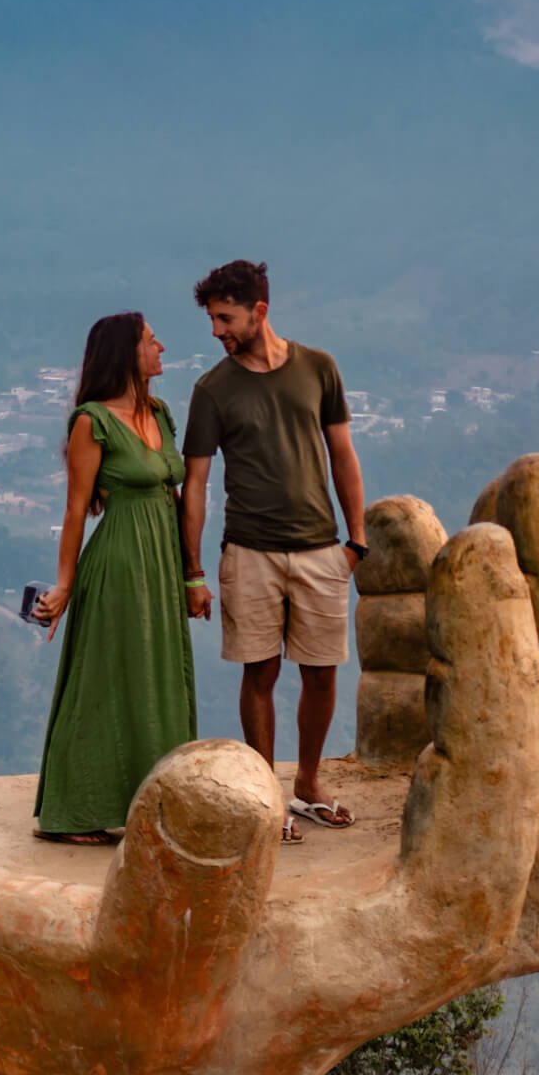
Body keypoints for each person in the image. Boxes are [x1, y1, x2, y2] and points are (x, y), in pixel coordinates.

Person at [180, 260, 367, 843]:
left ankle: (308, 784)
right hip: (250, 551)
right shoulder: (212, 389)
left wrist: (355, 542)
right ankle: (266, 799)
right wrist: (194, 569)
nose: (216, 330)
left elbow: (343, 455)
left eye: (225, 317)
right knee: (259, 671)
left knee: (321, 672)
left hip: (320, 549)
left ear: (259, 310)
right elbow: (196, 485)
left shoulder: (318, 368)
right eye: (212, 319)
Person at [32, 312, 198, 844]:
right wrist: (65, 583)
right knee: (105, 678)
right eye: (152, 341)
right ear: (127, 353)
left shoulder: (161, 413)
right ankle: (75, 808)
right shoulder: (92, 420)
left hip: (162, 562)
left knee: (158, 674)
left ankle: (152, 802)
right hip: (121, 560)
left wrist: (192, 573)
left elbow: (173, 493)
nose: (161, 347)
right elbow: (76, 509)